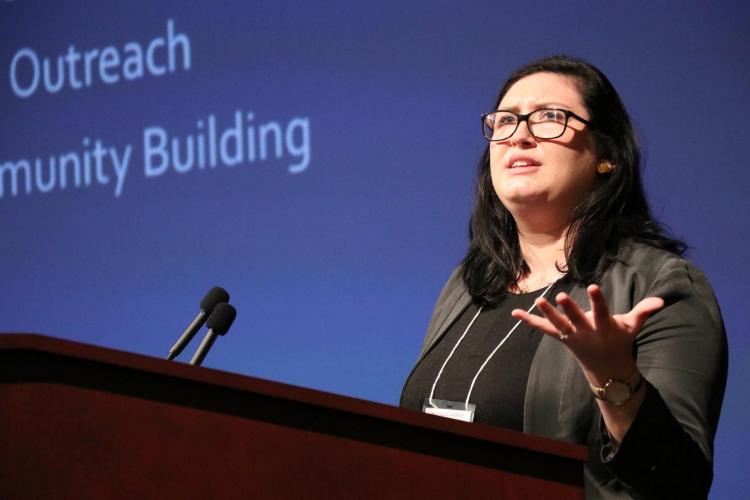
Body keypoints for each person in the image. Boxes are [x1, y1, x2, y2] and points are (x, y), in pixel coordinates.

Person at [400, 55, 727, 499]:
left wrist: (617, 380)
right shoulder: (469, 283)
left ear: (606, 157)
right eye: (505, 122)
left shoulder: (658, 285)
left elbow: (679, 485)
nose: (520, 136)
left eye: (551, 118)